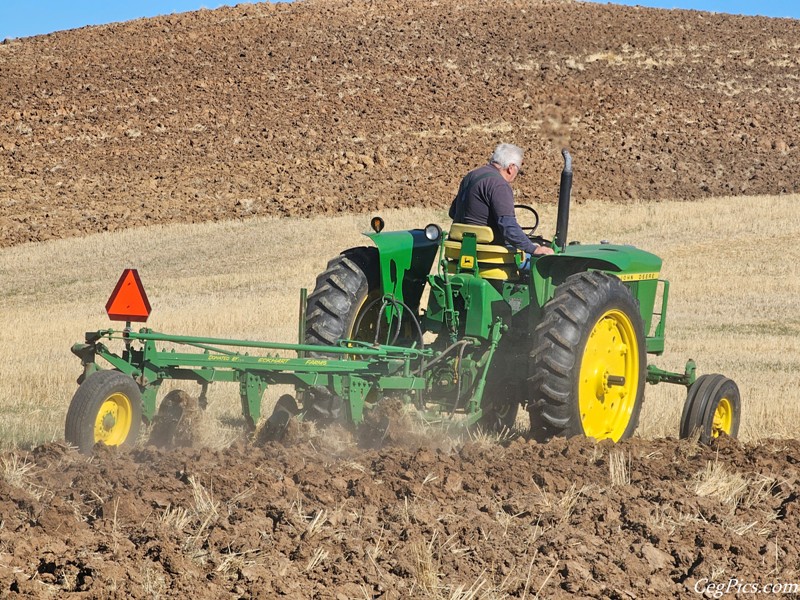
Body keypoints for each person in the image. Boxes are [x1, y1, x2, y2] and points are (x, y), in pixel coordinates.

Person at [449, 143, 554, 262]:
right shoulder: (499, 185)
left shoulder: (471, 176)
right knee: (540, 262)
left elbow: (453, 212)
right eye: (518, 170)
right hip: (487, 253)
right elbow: (508, 227)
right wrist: (533, 248)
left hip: (459, 249)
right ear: (511, 167)